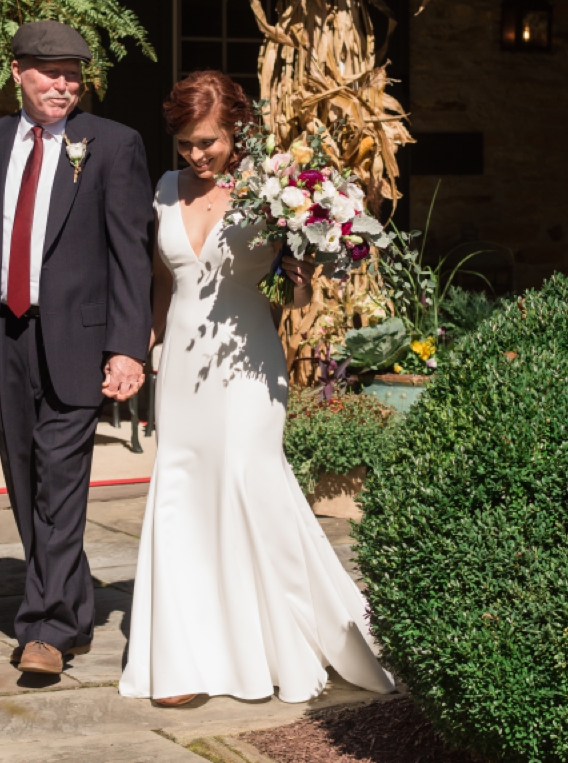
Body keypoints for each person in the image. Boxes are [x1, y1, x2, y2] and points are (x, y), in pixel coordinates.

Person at [119, 70, 395, 706]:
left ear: (237, 130)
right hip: (182, 364)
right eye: (186, 143)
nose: (196, 155)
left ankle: (279, 642)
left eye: (208, 142)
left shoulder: (275, 188)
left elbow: (295, 292)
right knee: (183, 496)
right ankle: (186, 659)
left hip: (247, 358)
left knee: (250, 481)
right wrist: (148, 344)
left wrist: (302, 270)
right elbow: (165, 281)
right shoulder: (163, 188)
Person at [0, 21, 153, 676]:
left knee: (62, 479)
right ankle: (71, 602)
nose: (63, 82)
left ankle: (45, 630)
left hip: (76, 341)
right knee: (26, 481)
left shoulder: (112, 144)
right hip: (2, 339)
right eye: (50, 71)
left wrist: (127, 345)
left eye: (74, 72)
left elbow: (129, 256)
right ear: (18, 70)